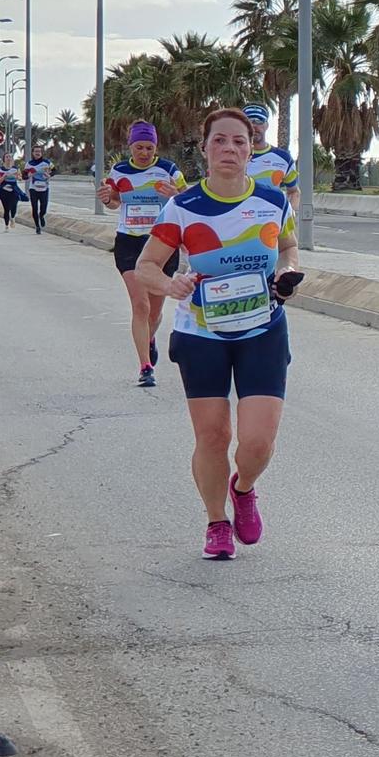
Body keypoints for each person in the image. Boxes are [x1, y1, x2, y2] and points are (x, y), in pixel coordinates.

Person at [134, 108, 302, 561]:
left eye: (239, 142)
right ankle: (216, 522)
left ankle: (243, 488)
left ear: (251, 150)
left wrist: (287, 272)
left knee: (258, 442)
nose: (230, 149)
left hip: (263, 328)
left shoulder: (272, 201)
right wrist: (172, 284)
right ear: (204, 149)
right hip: (201, 332)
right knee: (212, 437)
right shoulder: (182, 206)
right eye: (220, 141)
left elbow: (288, 247)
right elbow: (145, 266)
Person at [101, 121, 188, 388]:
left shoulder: (168, 170)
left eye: (149, 147)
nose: (144, 152)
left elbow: (188, 201)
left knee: (155, 311)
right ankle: (145, 367)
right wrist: (108, 199)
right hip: (129, 242)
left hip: (162, 244)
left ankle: (149, 338)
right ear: (130, 146)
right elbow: (114, 201)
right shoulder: (119, 170)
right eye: (139, 147)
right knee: (141, 305)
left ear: (156, 147)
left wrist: (175, 194)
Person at [241, 104, 300, 209]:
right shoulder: (232, 156)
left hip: (269, 224)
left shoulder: (283, 158)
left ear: (266, 125)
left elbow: (293, 191)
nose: (254, 126)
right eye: (249, 121)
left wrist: (288, 215)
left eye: (259, 121)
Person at [21, 146, 53, 234]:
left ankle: (41, 216)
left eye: (39, 151)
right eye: (36, 151)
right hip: (33, 188)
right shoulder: (29, 164)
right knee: (34, 208)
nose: (38, 153)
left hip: (44, 188)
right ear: (33, 153)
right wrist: (29, 175)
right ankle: (37, 226)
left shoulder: (47, 162)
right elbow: (24, 176)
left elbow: (54, 170)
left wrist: (49, 175)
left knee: (44, 208)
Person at [0, 153, 23, 227]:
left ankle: (12, 217)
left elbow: (20, 178)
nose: (9, 158)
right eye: (7, 157)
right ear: (4, 159)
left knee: (14, 206)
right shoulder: (1, 169)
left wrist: (16, 177)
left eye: (10, 157)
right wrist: (4, 176)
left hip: (14, 190)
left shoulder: (15, 168)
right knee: (6, 209)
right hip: (4, 191)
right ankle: (6, 225)